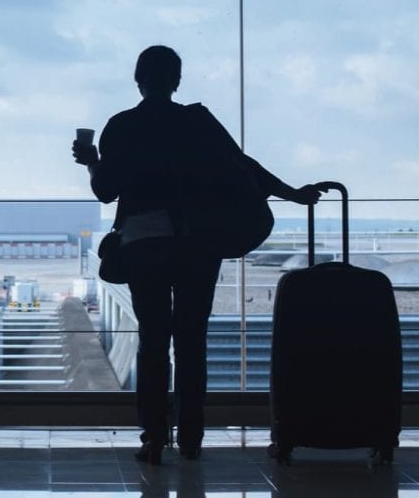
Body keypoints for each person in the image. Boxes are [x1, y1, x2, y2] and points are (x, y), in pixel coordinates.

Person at [72, 45, 319, 464]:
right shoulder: (197, 122)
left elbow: (105, 191)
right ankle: (191, 439)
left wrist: (92, 162)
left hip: (144, 244)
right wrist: (292, 194)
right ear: (177, 80)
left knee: (153, 341)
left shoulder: (122, 125)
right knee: (191, 342)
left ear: (138, 79)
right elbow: (243, 166)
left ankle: (153, 438)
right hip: (197, 243)